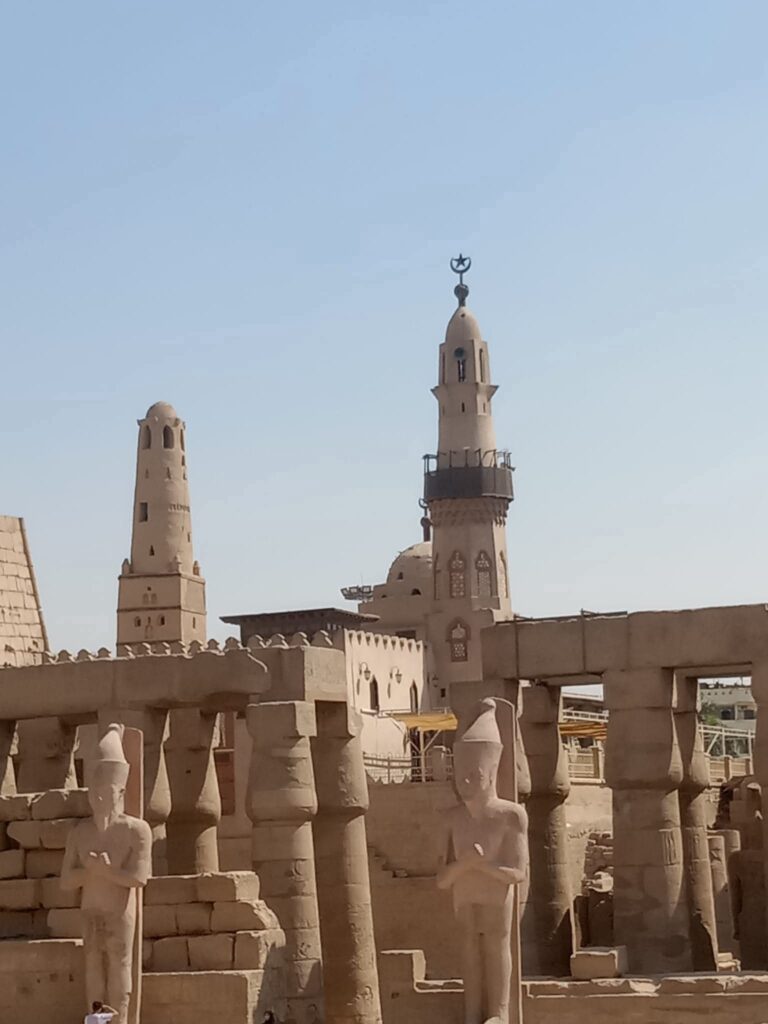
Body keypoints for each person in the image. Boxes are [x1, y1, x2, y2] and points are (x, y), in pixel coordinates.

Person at [437, 698, 528, 1024]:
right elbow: (441, 879)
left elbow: (517, 873)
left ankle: (499, 1013)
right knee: (468, 951)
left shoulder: (510, 815)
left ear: (491, 773)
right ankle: (472, 1013)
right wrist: (465, 865)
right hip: (465, 896)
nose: (465, 782)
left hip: (495, 898)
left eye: (473, 775)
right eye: (460, 775)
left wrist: (479, 866)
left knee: (495, 947)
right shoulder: (451, 818)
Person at [63, 724, 152, 1023]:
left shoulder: (137, 830)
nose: (98, 799)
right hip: (90, 908)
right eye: (93, 793)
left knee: (119, 964)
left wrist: (107, 871)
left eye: (106, 792)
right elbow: (66, 881)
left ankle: (121, 1020)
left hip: (119, 910)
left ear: (122, 791)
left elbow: (139, 879)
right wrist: (89, 873)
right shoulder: (80, 831)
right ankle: (95, 1019)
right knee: (92, 967)